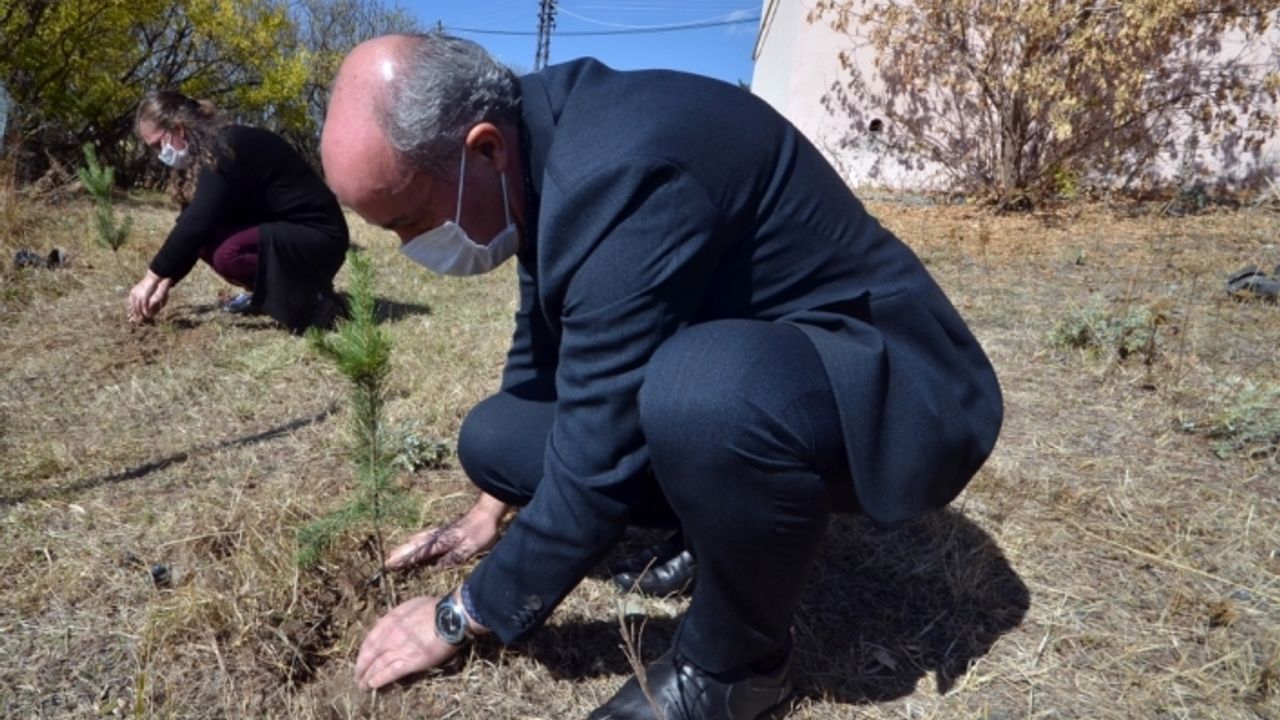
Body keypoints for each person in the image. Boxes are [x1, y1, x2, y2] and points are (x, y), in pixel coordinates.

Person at [320, 33, 1004, 720]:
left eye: (409, 220)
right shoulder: (538, 148)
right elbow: (545, 346)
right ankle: (717, 525)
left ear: (485, 149)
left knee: (698, 393)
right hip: (763, 361)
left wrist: (461, 613)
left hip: (884, 381)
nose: (410, 249)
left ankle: (738, 666)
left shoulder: (620, 166)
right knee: (496, 439)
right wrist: (488, 510)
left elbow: (597, 455)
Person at [128, 90, 350, 332]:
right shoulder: (205, 155)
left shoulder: (227, 147)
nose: (159, 154)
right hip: (290, 233)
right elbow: (193, 229)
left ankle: (314, 303)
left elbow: (198, 222)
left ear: (179, 129)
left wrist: (151, 277)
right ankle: (273, 296)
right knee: (208, 241)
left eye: (159, 143)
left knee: (229, 254)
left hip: (320, 237)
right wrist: (165, 282)